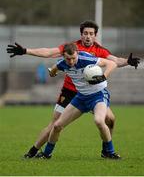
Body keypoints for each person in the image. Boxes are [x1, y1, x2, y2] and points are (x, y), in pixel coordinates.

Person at [6, 20, 140, 158]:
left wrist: (127, 62)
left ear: (95, 35)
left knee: (110, 119)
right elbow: (49, 53)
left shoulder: (98, 50)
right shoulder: (70, 48)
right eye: (85, 33)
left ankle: (107, 151)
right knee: (55, 125)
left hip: (94, 91)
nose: (88, 36)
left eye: (91, 34)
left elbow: (115, 61)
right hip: (71, 92)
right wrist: (25, 51)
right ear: (81, 34)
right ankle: (34, 151)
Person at [35, 42, 120, 159]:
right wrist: (53, 73)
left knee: (99, 121)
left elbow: (112, 63)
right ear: (63, 56)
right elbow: (54, 68)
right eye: (68, 59)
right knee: (57, 126)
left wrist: (103, 76)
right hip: (81, 98)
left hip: (98, 95)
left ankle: (110, 152)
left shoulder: (86, 59)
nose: (70, 61)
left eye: (73, 58)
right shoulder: (63, 63)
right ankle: (46, 154)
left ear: (77, 54)